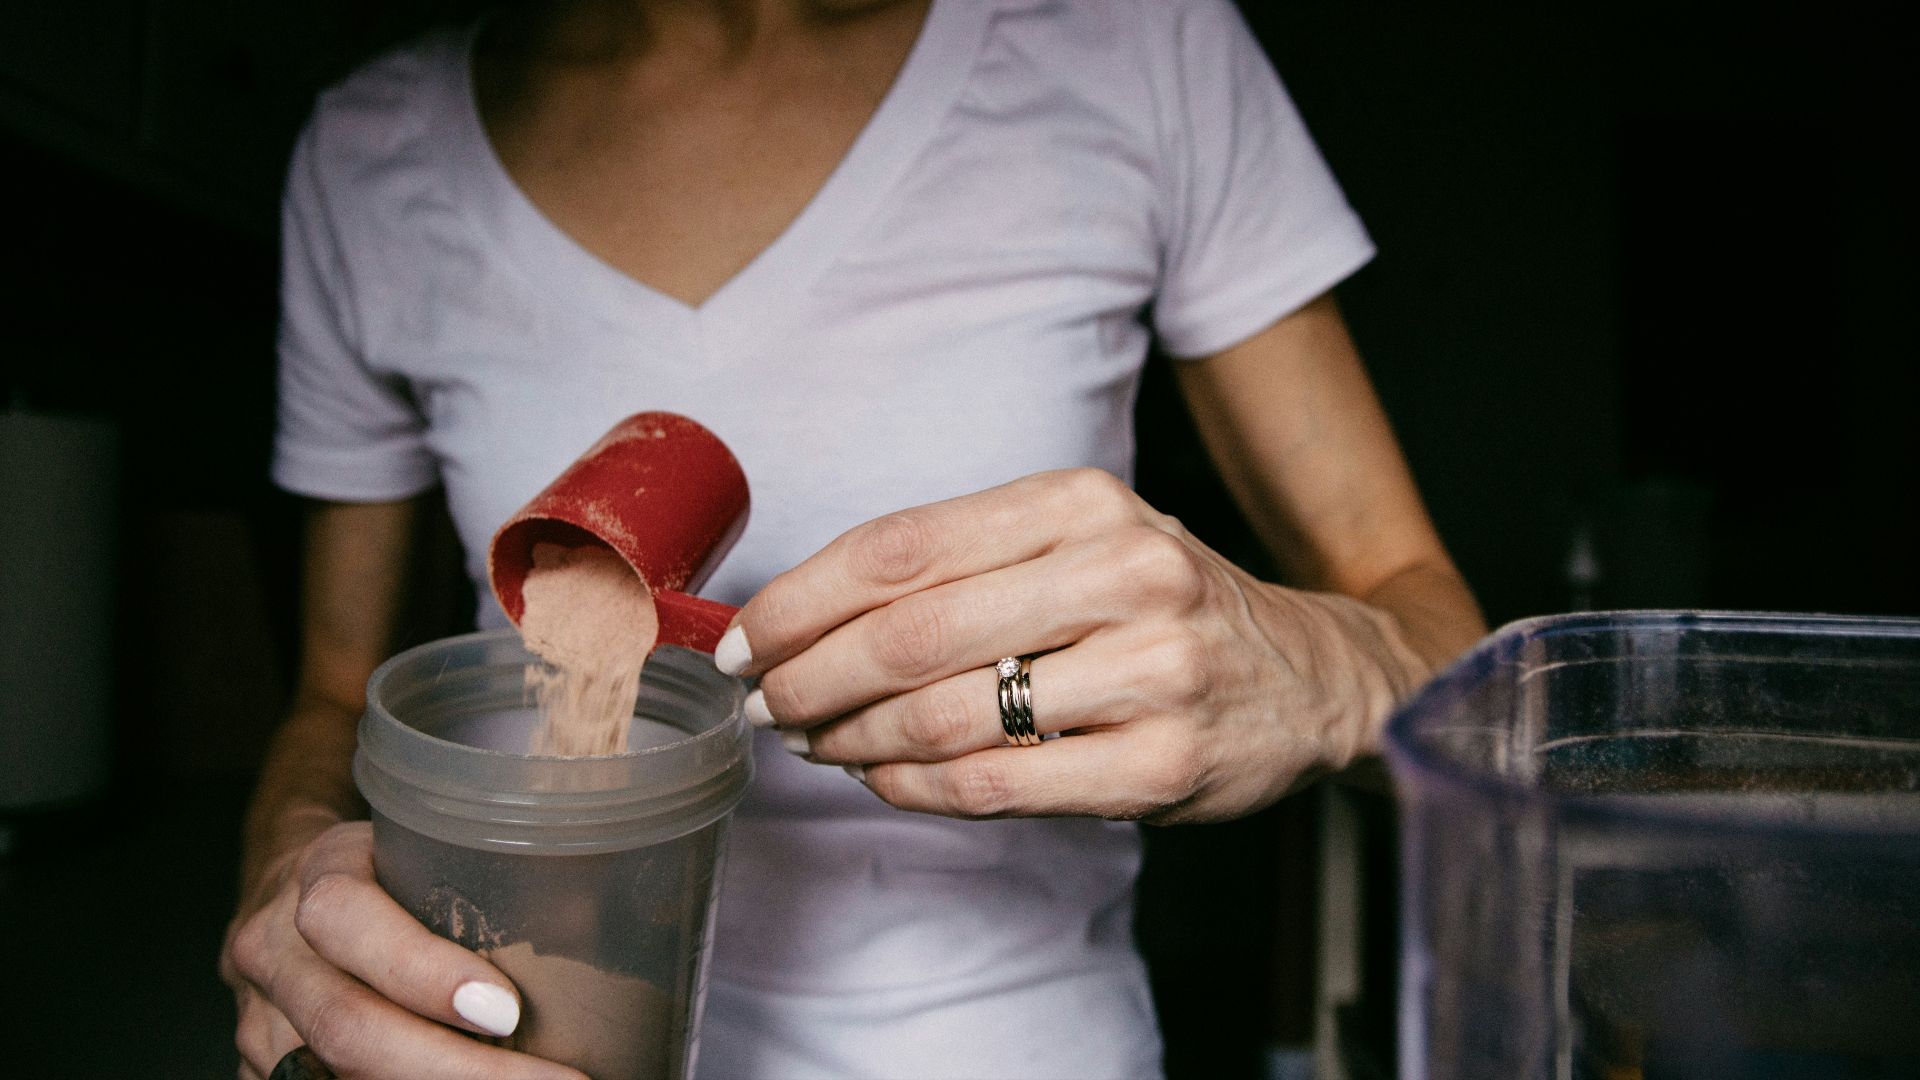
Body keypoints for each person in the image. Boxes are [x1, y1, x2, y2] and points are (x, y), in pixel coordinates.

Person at [221, 0, 1485, 1076]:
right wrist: (289, 872)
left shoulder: (1136, 42)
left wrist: (1325, 670)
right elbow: (334, 694)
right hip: (530, 1038)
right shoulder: (369, 155)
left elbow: (1430, 624)